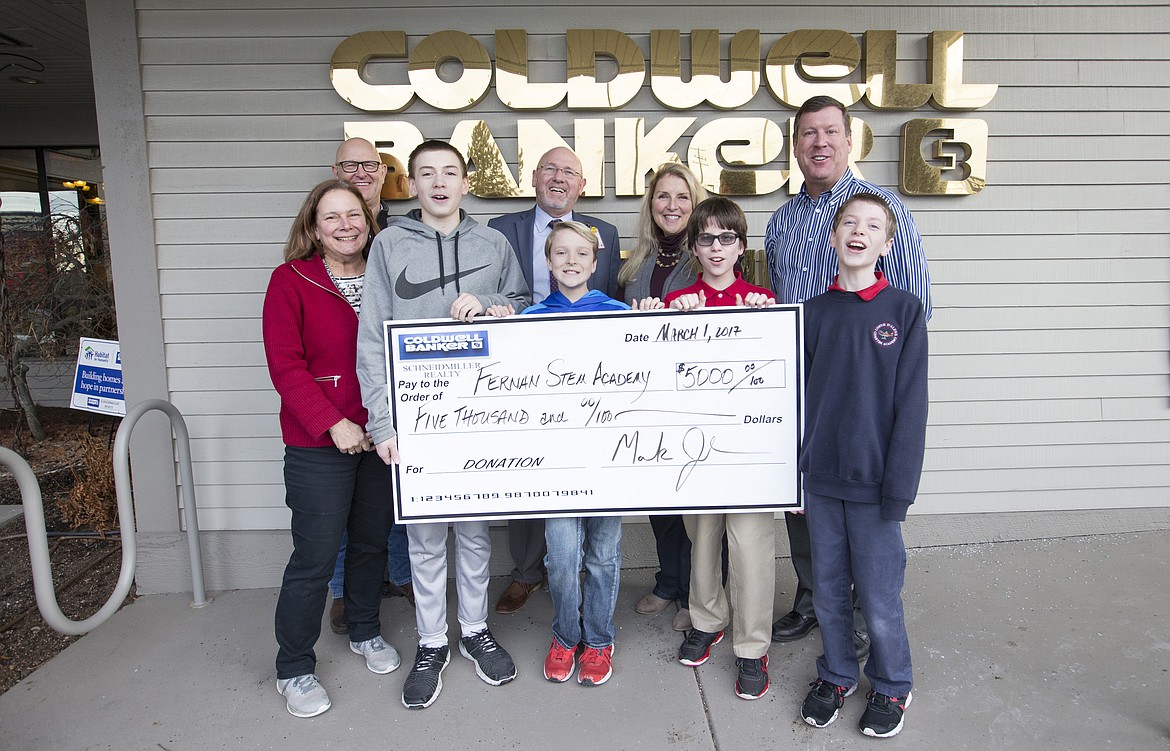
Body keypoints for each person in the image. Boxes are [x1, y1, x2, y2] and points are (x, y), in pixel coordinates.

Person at [356, 140, 530, 710]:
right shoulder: (388, 244)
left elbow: (522, 304)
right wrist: (382, 422)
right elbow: (372, 336)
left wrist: (488, 301)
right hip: (416, 415)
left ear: (465, 181)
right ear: (411, 182)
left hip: (478, 414)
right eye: (426, 173)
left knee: (475, 530)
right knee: (426, 535)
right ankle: (432, 642)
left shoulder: (494, 242)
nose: (438, 183)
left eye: (449, 173)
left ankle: (475, 630)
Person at [763, 95, 931, 657]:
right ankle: (816, 599)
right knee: (808, 506)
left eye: (830, 132)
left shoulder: (882, 208)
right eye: (808, 133)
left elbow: (914, 308)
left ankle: (863, 615)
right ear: (796, 145)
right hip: (803, 384)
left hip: (862, 386)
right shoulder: (782, 220)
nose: (819, 143)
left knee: (864, 525)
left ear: (849, 140)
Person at [262, 179, 401, 718]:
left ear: (369, 221)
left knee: (370, 544)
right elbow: (286, 367)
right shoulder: (290, 280)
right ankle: (293, 667)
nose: (346, 225)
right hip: (319, 442)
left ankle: (365, 631)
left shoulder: (386, 276)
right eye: (332, 217)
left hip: (381, 437)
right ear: (313, 229)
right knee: (315, 557)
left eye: (354, 215)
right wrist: (332, 423)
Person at [797, 192, 927, 738]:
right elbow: (793, 397)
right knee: (827, 589)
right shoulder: (812, 312)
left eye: (872, 226)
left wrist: (899, 489)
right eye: (848, 223)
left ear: (886, 243)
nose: (858, 231)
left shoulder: (902, 310)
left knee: (877, 595)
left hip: (875, 486)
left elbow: (911, 405)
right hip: (821, 481)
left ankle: (893, 683)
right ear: (833, 238)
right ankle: (837, 672)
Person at [487, 220, 629, 686]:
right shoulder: (528, 321)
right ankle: (566, 635)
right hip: (555, 465)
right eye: (561, 254)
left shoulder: (619, 315)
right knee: (562, 557)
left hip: (607, 460)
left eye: (581, 254)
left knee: (603, 556)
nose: (571, 262)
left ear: (596, 262)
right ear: (547, 262)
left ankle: (600, 639)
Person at [486, 146, 622, 615]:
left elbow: (614, 307)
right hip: (523, 372)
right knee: (530, 470)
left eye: (570, 171)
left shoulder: (604, 233)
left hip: (589, 380)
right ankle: (527, 573)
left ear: (582, 185)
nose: (559, 178)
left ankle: (583, 575)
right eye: (550, 169)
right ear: (535, 178)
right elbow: (494, 287)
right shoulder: (501, 230)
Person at [659, 197, 777, 700]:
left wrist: (767, 319)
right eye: (705, 238)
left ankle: (753, 648)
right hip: (694, 450)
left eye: (726, 238)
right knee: (703, 540)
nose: (716, 248)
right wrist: (669, 318)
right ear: (694, 246)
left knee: (750, 549)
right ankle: (708, 621)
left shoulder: (765, 303)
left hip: (747, 452)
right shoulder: (678, 303)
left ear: (741, 247)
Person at [326, 136, 414, 635]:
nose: (361, 172)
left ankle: (401, 573)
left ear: (384, 173)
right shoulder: (323, 236)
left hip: (396, 382)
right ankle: (342, 589)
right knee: (343, 496)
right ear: (335, 170)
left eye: (370, 164)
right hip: (341, 389)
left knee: (397, 484)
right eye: (349, 164)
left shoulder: (402, 233)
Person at [616, 162, 709, 632]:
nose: (671, 206)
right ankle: (668, 582)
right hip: (645, 401)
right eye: (663, 197)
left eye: (682, 197)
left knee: (695, 506)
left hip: (692, 399)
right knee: (661, 504)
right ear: (650, 205)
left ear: (695, 204)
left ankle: (699, 593)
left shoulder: (706, 258)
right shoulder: (634, 264)